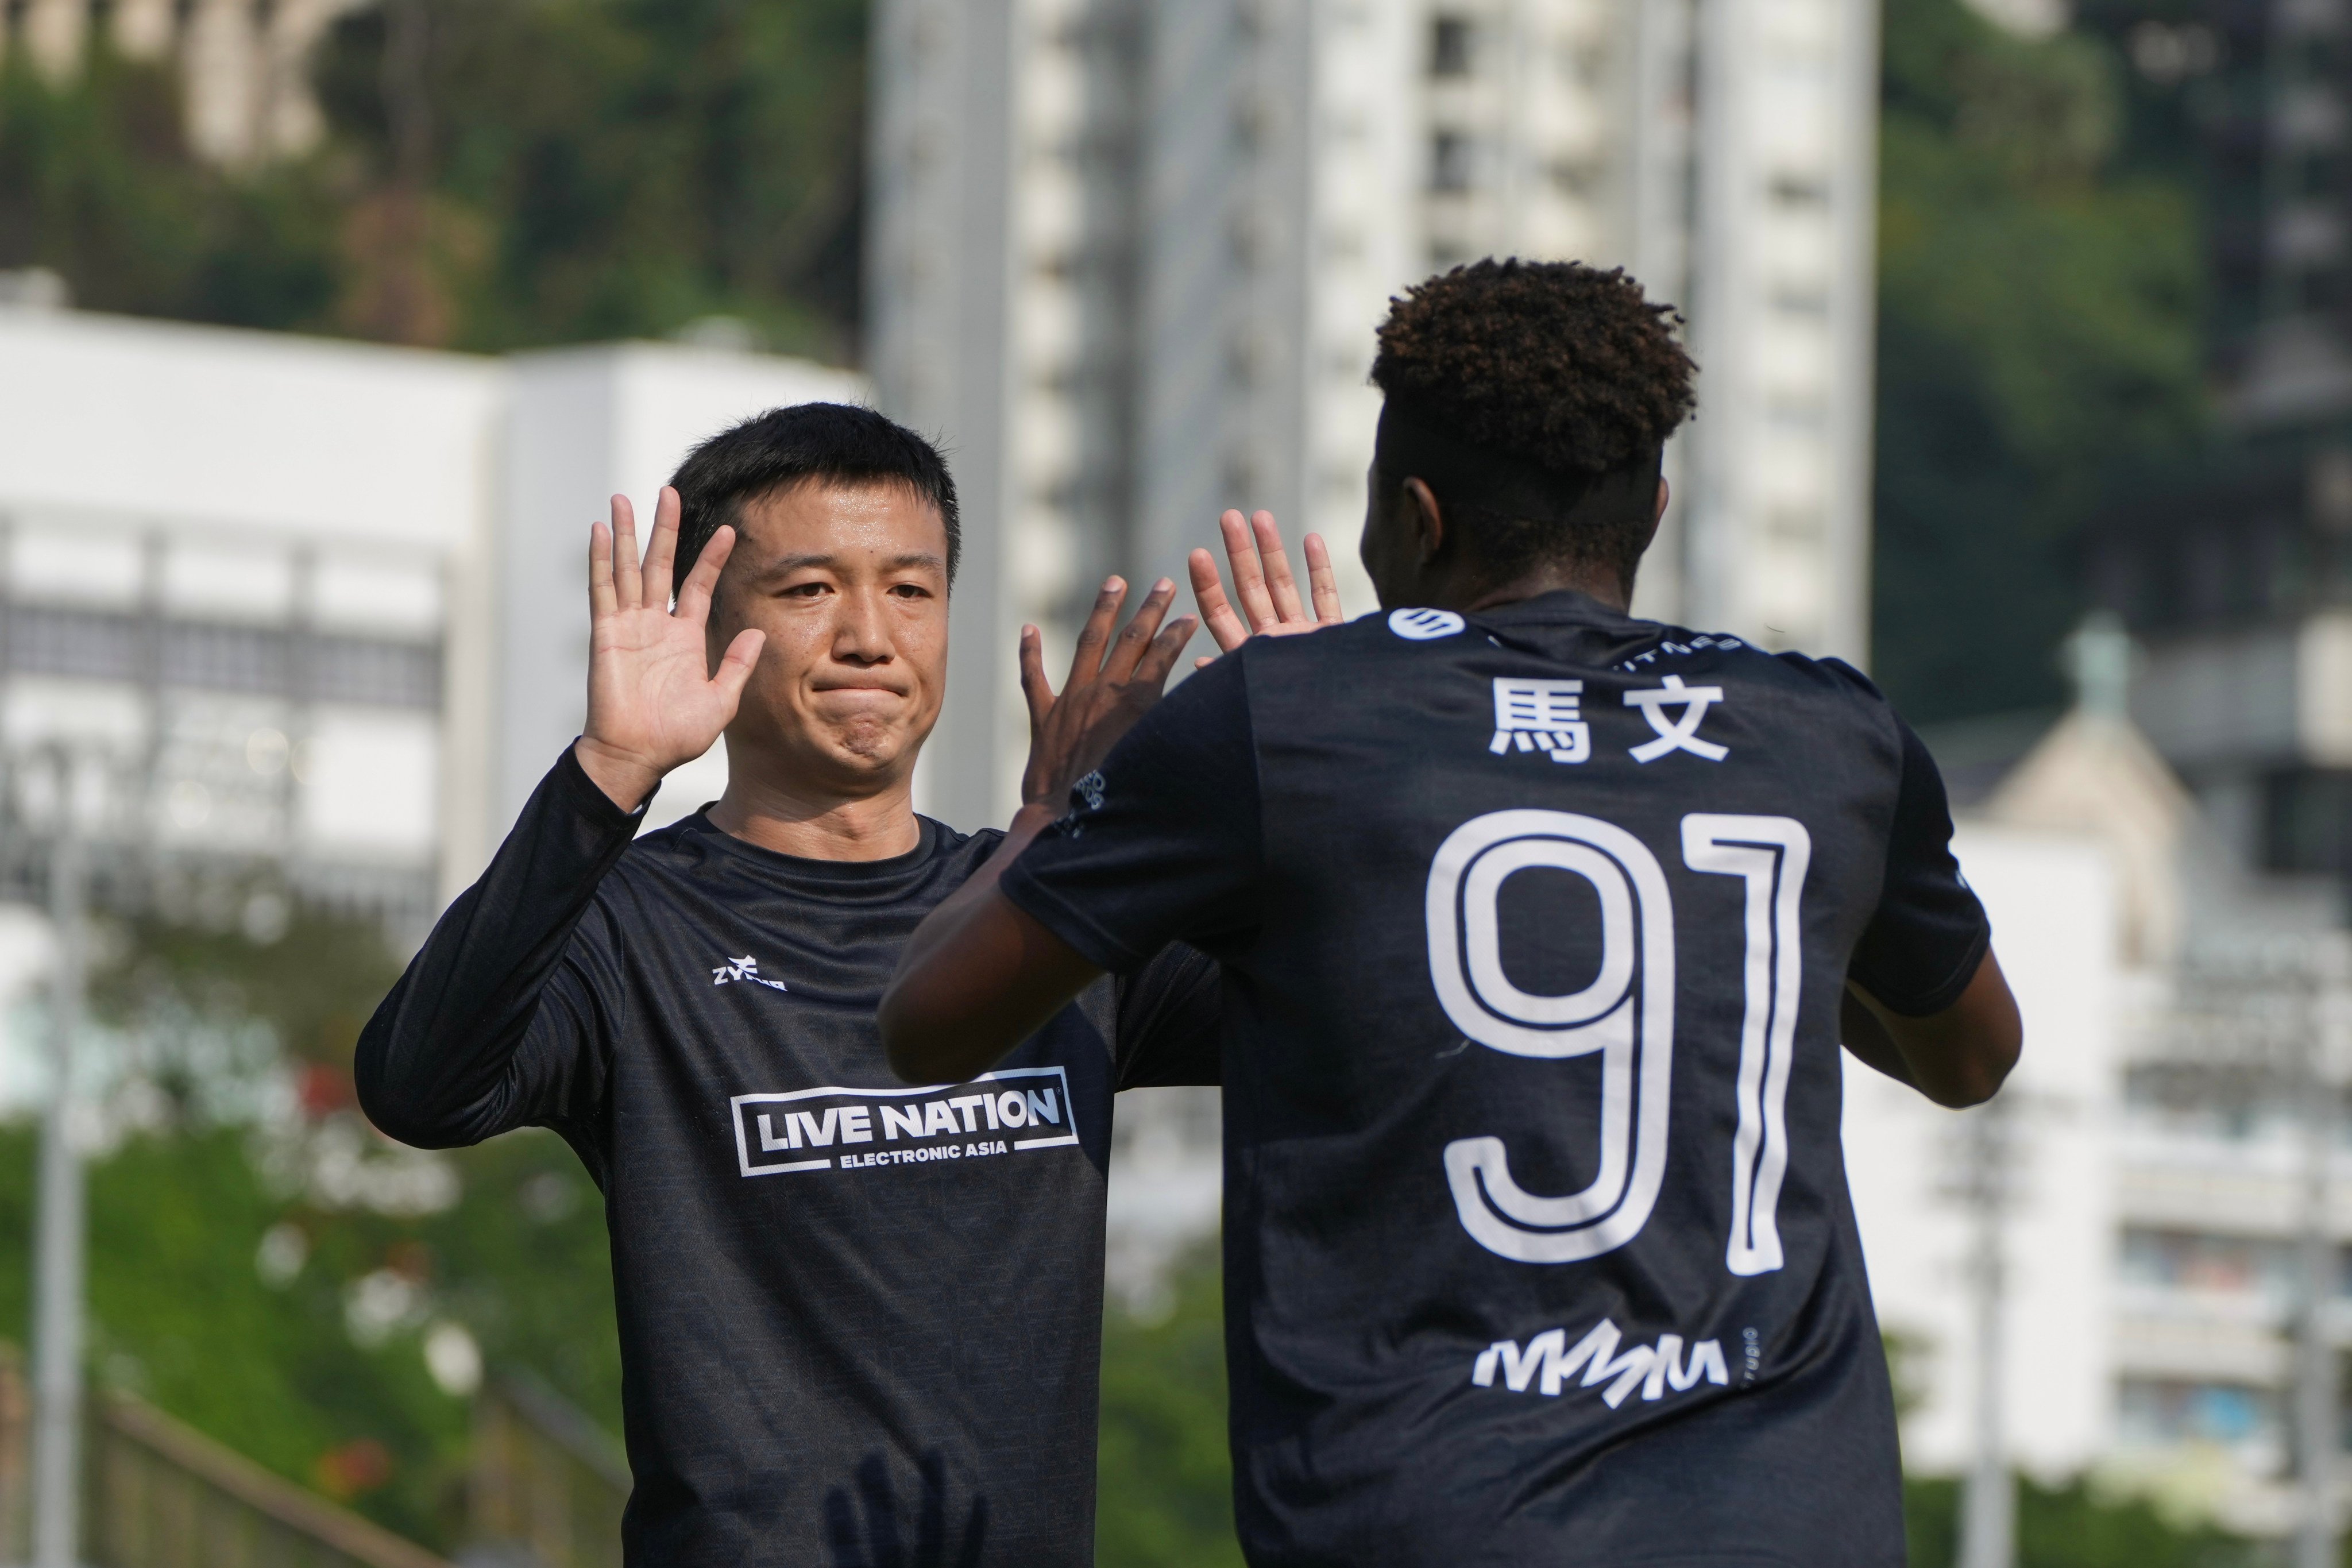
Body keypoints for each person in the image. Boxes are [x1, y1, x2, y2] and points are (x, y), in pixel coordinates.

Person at [878, 260, 2023, 1567]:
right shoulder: (1829, 735)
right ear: (1651, 510)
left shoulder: (1284, 720)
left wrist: (1057, 799)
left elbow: (928, 1025)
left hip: (1427, 1511)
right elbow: (1969, 1055)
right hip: (1790, 1520)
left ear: (1411, 519)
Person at [355, 403, 1218, 1565]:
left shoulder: (1047, 920)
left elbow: (1363, 1014)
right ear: (713, 631)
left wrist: (1313, 762)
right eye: (810, 590)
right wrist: (608, 772)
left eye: (909, 592)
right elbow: (419, 1089)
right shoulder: (632, 925)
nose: (868, 635)